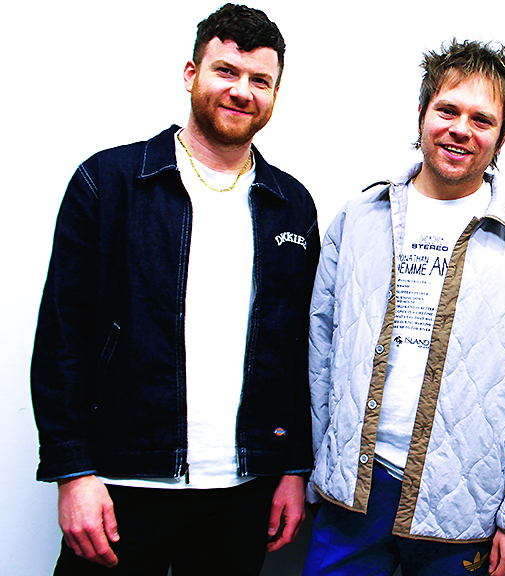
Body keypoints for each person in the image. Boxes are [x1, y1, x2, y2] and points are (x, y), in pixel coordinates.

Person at [30, 4, 318, 574]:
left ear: (275, 94)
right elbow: (63, 335)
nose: (242, 91)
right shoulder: (109, 182)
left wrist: (292, 467)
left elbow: (298, 350)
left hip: (243, 490)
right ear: (191, 74)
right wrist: (72, 472)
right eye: (226, 71)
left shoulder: (291, 204)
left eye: (260, 80)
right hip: (120, 481)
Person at [304, 39, 505, 576]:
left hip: (464, 508)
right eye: (447, 110)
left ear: (502, 136)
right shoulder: (357, 220)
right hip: (353, 496)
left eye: (482, 119)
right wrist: (320, 467)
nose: (460, 129)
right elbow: (320, 350)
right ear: (422, 113)